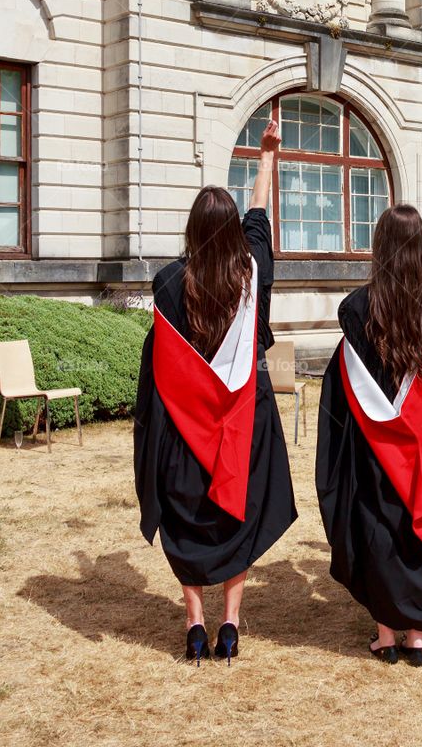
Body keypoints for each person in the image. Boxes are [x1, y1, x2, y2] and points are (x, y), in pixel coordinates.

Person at [134, 121, 297, 664]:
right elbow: (259, 223)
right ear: (230, 233)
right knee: (238, 512)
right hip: (241, 420)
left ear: (190, 230)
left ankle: (194, 625)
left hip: (185, 426)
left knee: (187, 516)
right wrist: (266, 157)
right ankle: (231, 624)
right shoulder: (251, 273)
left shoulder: (167, 283)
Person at [316, 204, 422, 667]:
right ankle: (416, 636)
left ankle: (385, 634)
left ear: (379, 247)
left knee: (378, 524)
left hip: (374, 439)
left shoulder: (356, 307)